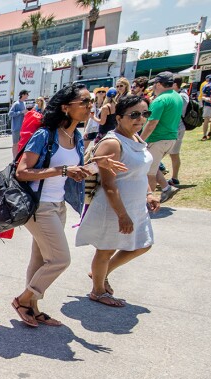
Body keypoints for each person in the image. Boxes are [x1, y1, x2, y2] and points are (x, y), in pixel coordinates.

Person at [12, 83, 125, 327]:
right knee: (60, 260)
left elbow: (75, 171)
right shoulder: (45, 135)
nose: (90, 106)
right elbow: (22, 172)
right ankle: (23, 300)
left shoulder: (74, 137)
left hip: (57, 205)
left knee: (41, 259)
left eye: (90, 101)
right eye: (83, 102)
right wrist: (63, 170)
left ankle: (32, 308)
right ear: (66, 107)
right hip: (38, 206)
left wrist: (97, 164)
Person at [76, 96, 160, 307]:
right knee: (105, 250)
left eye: (145, 114)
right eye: (134, 114)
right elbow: (109, 185)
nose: (141, 119)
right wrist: (122, 215)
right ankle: (97, 291)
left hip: (136, 205)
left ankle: (100, 273)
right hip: (114, 207)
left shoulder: (137, 138)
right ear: (119, 117)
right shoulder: (113, 143)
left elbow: (140, 173)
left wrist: (149, 193)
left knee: (143, 244)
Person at [140, 72, 184, 203]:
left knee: (149, 173)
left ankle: (149, 201)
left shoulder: (160, 100)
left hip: (157, 139)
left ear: (159, 84)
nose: (153, 86)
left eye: (154, 84)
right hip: (170, 138)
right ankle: (166, 188)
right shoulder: (177, 96)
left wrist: (140, 140)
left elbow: (152, 123)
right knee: (151, 166)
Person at [167, 76, 191, 186]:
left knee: (164, 154)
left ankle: (170, 178)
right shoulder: (181, 95)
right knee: (173, 154)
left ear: (175, 85)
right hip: (176, 128)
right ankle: (174, 178)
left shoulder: (180, 96)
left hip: (175, 128)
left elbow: (174, 112)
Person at [9, 89, 30, 157]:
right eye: (27, 94)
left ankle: (19, 157)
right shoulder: (16, 103)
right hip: (16, 128)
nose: (28, 96)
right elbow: (10, 113)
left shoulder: (24, 103)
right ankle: (14, 158)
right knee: (15, 143)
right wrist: (21, 112)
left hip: (22, 127)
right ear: (23, 95)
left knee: (22, 143)